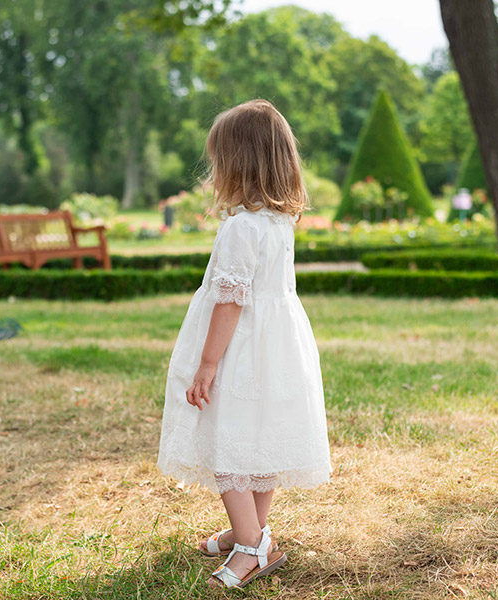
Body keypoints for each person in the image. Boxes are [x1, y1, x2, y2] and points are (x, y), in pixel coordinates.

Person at [156, 99, 332, 589]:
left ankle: (254, 548)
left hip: (239, 349)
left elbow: (231, 301)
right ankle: (248, 529)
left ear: (236, 164)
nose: (212, 170)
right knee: (260, 434)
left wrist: (208, 364)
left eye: (217, 160)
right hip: (276, 345)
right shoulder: (279, 221)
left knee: (228, 438)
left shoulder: (239, 227)